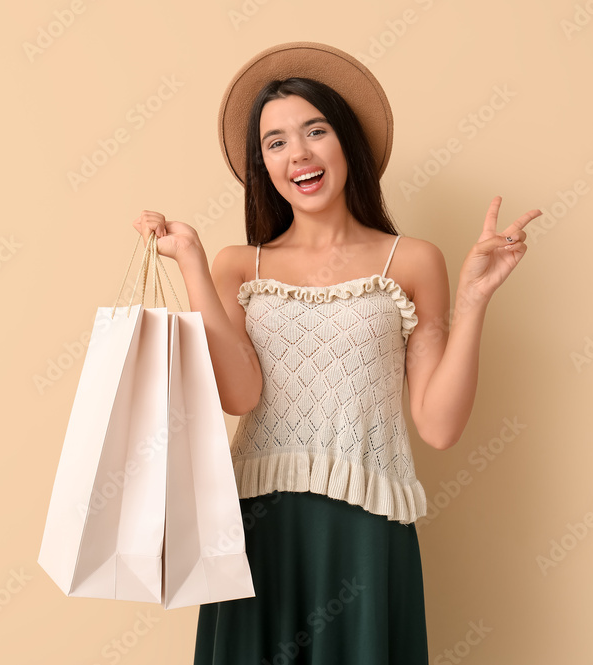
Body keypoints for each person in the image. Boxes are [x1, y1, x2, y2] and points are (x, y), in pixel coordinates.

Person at [131, 42, 541, 665]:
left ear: (346, 141)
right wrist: (192, 260)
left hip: (366, 529)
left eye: (315, 130)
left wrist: (475, 299)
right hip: (259, 527)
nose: (298, 153)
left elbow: (437, 425)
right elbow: (240, 395)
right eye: (275, 142)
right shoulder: (240, 265)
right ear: (262, 164)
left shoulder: (413, 260)